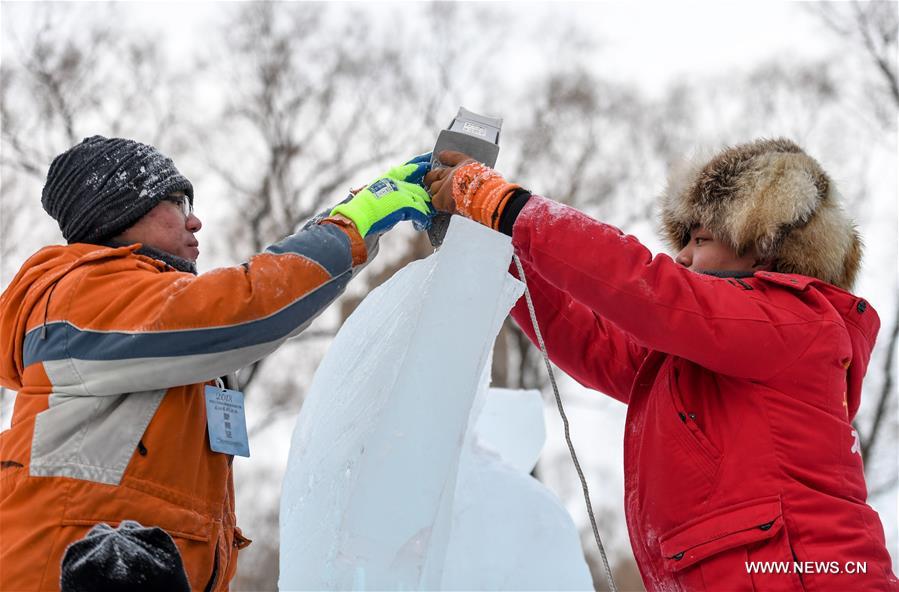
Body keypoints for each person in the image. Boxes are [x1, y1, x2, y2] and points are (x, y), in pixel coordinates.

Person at [425, 139, 898, 591]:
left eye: (701, 238)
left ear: (763, 243)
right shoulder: (703, 353)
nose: (684, 256)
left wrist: (506, 206)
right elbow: (594, 340)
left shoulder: (796, 321)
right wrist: (496, 251)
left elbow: (646, 288)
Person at [0, 136, 435, 590]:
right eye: (176, 201)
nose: (195, 219)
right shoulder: (80, 296)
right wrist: (353, 223)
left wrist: (349, 214)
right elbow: (249, 305)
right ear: (118, 211)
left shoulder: (148, 320)